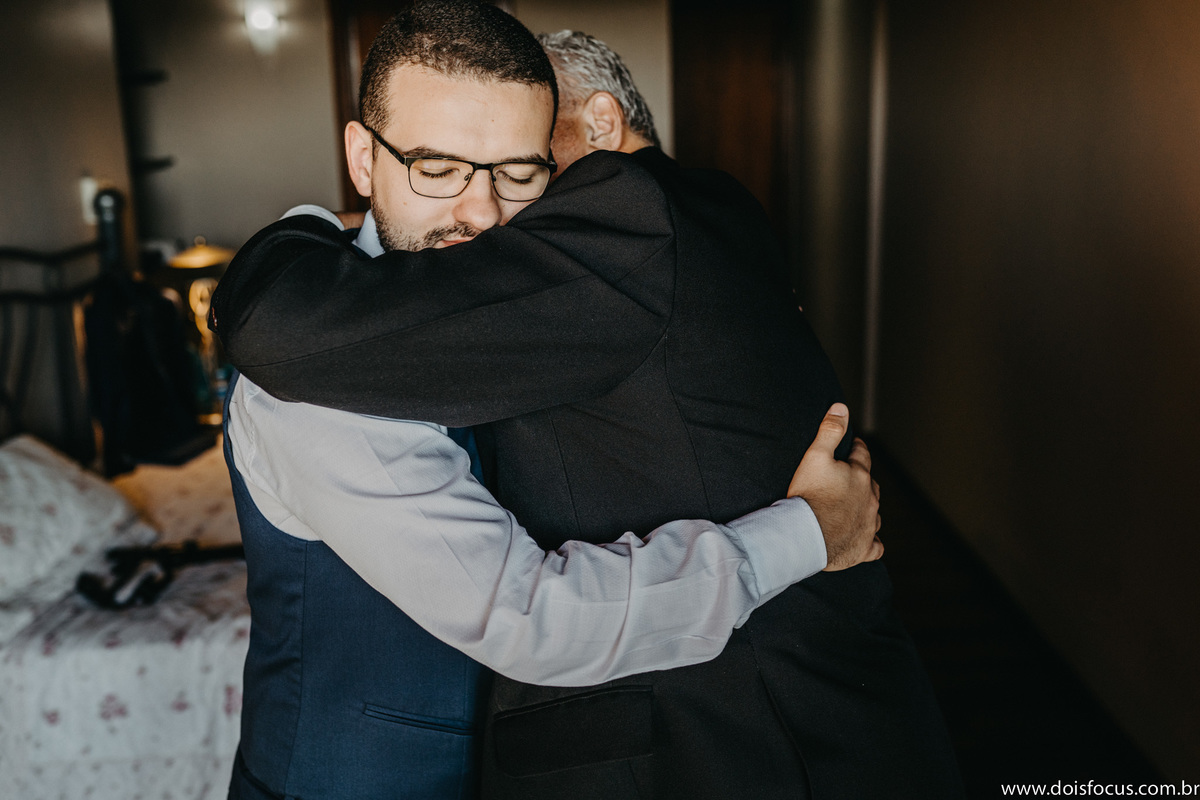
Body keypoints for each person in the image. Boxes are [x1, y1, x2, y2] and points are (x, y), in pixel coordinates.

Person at [212, 3, 962, 799]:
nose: (483, 214)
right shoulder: (318, 377)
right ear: (364, 162)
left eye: (520, 173)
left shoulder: (568, 262)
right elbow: (533, 615)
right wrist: (804, 533)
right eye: (437, 168)